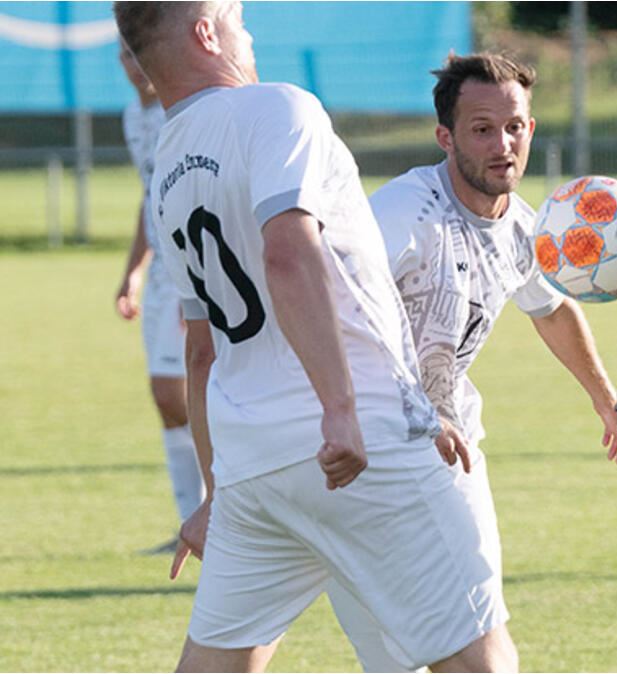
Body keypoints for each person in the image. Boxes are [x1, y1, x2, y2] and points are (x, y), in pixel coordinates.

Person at [114, 2, 517, 671]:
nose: (250, 34)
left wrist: (215, 494)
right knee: (479, 659)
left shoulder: (170, 162)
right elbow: (288, 254)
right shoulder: (277, 108)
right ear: (206, 34)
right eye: (236, 19)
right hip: (357, 442)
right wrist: (341, 410)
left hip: (251, 466)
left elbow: (201, 347)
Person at [324, 52, 617, 671]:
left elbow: (550, 307)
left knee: (481, 642)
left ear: (532, 129)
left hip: (450, 453)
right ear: (445, 137)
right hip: (358, 454)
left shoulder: (524, 230)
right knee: (404, 658)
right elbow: (332, 307)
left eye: (515, 126)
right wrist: (403, 409)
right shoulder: (401, 216)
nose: (503, 144)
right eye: (482, 129)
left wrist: (605, 400)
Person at [112, 40, 204, 552]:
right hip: (161, 278)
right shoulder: (134, 116)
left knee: (178, 391)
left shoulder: (184, 114)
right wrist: (133, 273)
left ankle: (222, 515)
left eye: (139, 53)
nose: (133, 65)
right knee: (168, 400)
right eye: (124, 54)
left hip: (190, 270)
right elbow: (150, 200)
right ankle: (190, 524)